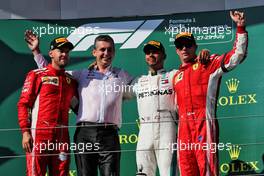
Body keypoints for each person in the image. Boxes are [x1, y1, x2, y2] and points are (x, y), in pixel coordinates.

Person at [24, 32, 133, 176]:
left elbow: (141, 88)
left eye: (110, 49)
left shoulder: (122, 75)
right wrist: (36, 52)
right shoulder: (81, 74)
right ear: (94, 52)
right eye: (102, 49)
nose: (106, 53)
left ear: (114, 52)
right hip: (85, 133)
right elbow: (53, 72)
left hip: (109, 134)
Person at [172, 11, 248, 176]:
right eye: (180, 45)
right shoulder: (175, 76)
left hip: (204, 126)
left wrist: (240, 27)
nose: (184, 48)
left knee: (208, 172)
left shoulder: (207, 63)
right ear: (176, 50)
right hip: (183, 131)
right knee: (185, 171)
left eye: (188, 44)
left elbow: (237, 56)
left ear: (195, 47)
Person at [134, 40, 210, 176]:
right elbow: (114, 90)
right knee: (143, 173)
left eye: (155, 52)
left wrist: (201, 57)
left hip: (167, 128)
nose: (151, 55)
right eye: (148, 52)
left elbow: (192, 70)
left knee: (169, 173)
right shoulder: (138, 81)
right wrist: (97, 68)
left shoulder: (174, 75)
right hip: (144, 130)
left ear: (164, 55)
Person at [17, 37, 78, 175]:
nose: (64, 54)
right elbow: (23, 104)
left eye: (67, 52)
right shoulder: (37, 75)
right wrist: (25, 131)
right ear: (51, 54)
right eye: (61, 51)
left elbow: (78, 106)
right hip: (39, 135)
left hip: (62, 138)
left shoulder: (71, 81)